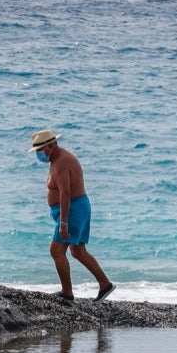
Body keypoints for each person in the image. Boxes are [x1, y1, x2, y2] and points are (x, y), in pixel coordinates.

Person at [30, 129, 115, 303]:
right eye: (37, 151)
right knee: (77, 251)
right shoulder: (56, 159)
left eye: (41, 150)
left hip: (73, 210)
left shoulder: (62, 162)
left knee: (56, 251)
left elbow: (65, 193)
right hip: (75, 208)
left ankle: (67, 293)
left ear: (51, 146)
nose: (39, 154)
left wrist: (63, 223)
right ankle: (105, 284)